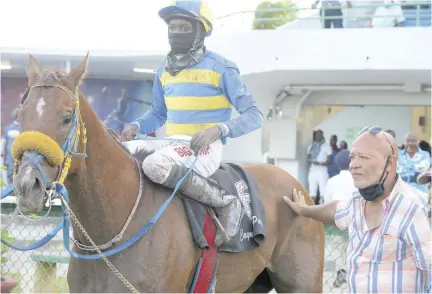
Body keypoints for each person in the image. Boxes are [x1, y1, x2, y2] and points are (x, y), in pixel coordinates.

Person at [120, 0, 263, 245]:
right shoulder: (163, 70)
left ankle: (225, 202)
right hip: (170, 145)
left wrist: (218, 131)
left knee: (154, 165)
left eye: (183, 28)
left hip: (203, 148)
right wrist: (136, 127)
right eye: (172, 28)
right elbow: (158, 113)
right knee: (119, 153)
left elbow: (254, 114)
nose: (175, 34)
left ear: (201, 31)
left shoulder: (222, 68)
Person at [284, 126, 431, 293]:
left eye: (364, 157)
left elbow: (429, 266)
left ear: (389, 163)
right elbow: (336, 210)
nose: (354, 165)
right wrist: (305, 210)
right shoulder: (357, 201)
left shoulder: (411, 207)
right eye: (352, 157)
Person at [323, 150, 357, 288]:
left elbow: (326, 203)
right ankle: (351, 273)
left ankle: (342, 270)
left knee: (337, 247)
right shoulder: (358, 180)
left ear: (337, 165)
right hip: (355, 223)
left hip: (336, 224)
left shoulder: (332, 181)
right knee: (351, 248)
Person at [307, 129, 332, 204]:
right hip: (312, 171)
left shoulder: (326, 147)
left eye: (319, 134)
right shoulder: (310, 147)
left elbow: (329, 161)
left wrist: (320, 163)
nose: (317, 136)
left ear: (322, 135)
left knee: (323, 193)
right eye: (316, 135)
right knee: (312, 192)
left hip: (322, 171)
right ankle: (311, 212)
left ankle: (322, 212)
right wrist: (312, 161)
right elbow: (308, 158)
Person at [2, 108, 21, 185]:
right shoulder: (23, 128)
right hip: (17, 160)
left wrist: (4, 160)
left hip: (11, 159)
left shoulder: (8, 128)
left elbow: (4, 146)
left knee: (11, 179)